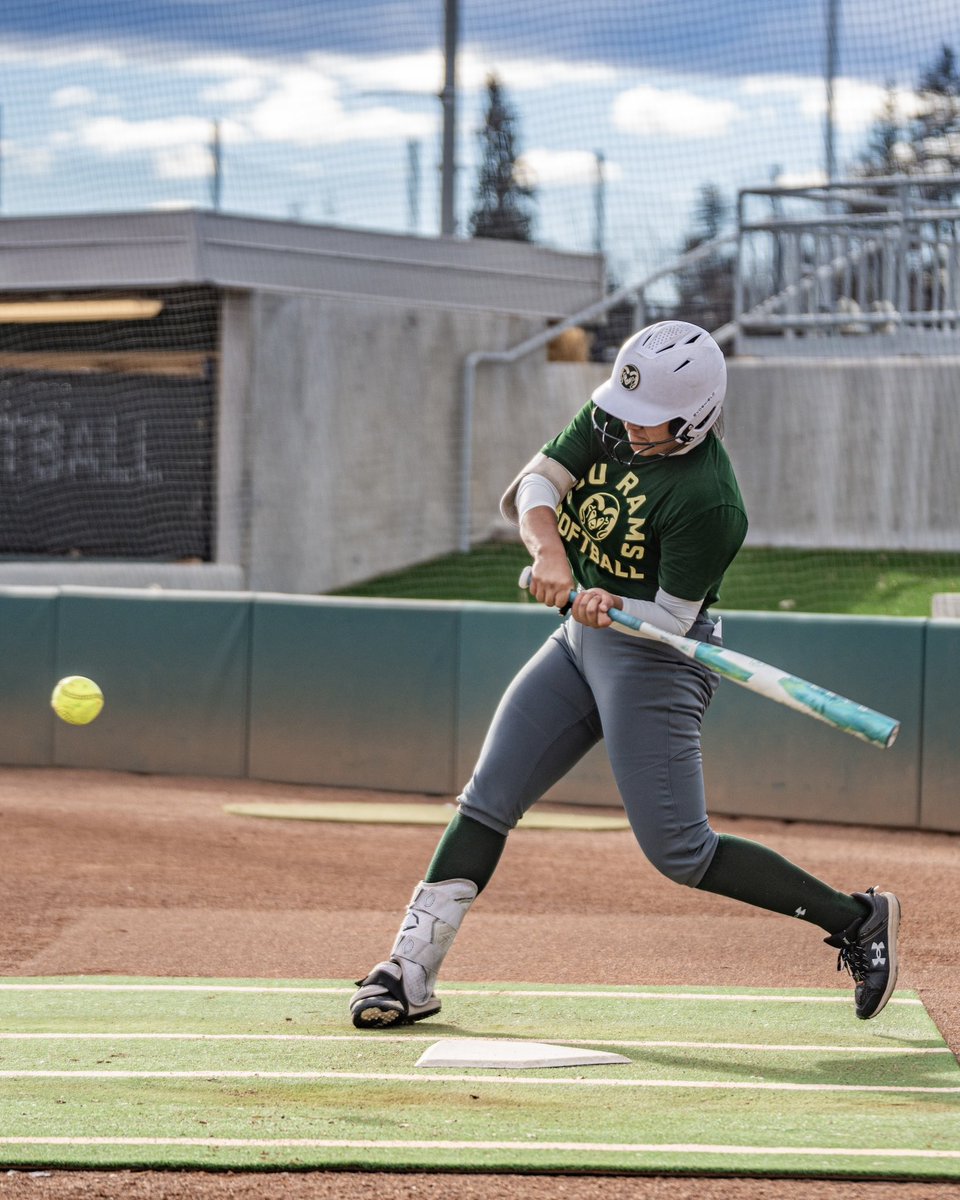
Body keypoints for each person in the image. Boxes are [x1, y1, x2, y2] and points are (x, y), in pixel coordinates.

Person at [349, 320, 900, 1029]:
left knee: (681, 851)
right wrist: (552, 556)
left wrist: (613, 601)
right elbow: (535, 487)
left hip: (657, 659)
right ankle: (407, 969)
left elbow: (669, 620)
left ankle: (856, 919)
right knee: (486, 799)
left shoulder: (711, 500)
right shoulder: (613, 413)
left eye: (652, 423)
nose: (629, 430)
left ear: (696, 415)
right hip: (581, 639)